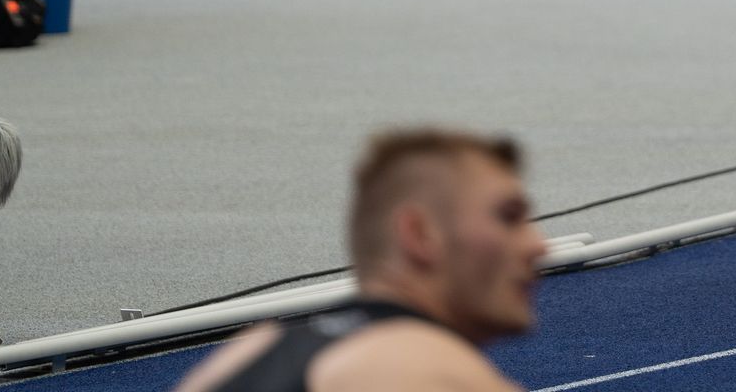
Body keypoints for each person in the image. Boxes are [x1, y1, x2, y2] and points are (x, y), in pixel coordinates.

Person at [171, 129, 545, 392]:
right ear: (420, 235)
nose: (539, 245)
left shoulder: (249, 351)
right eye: (508, 217)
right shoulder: (418, 368)